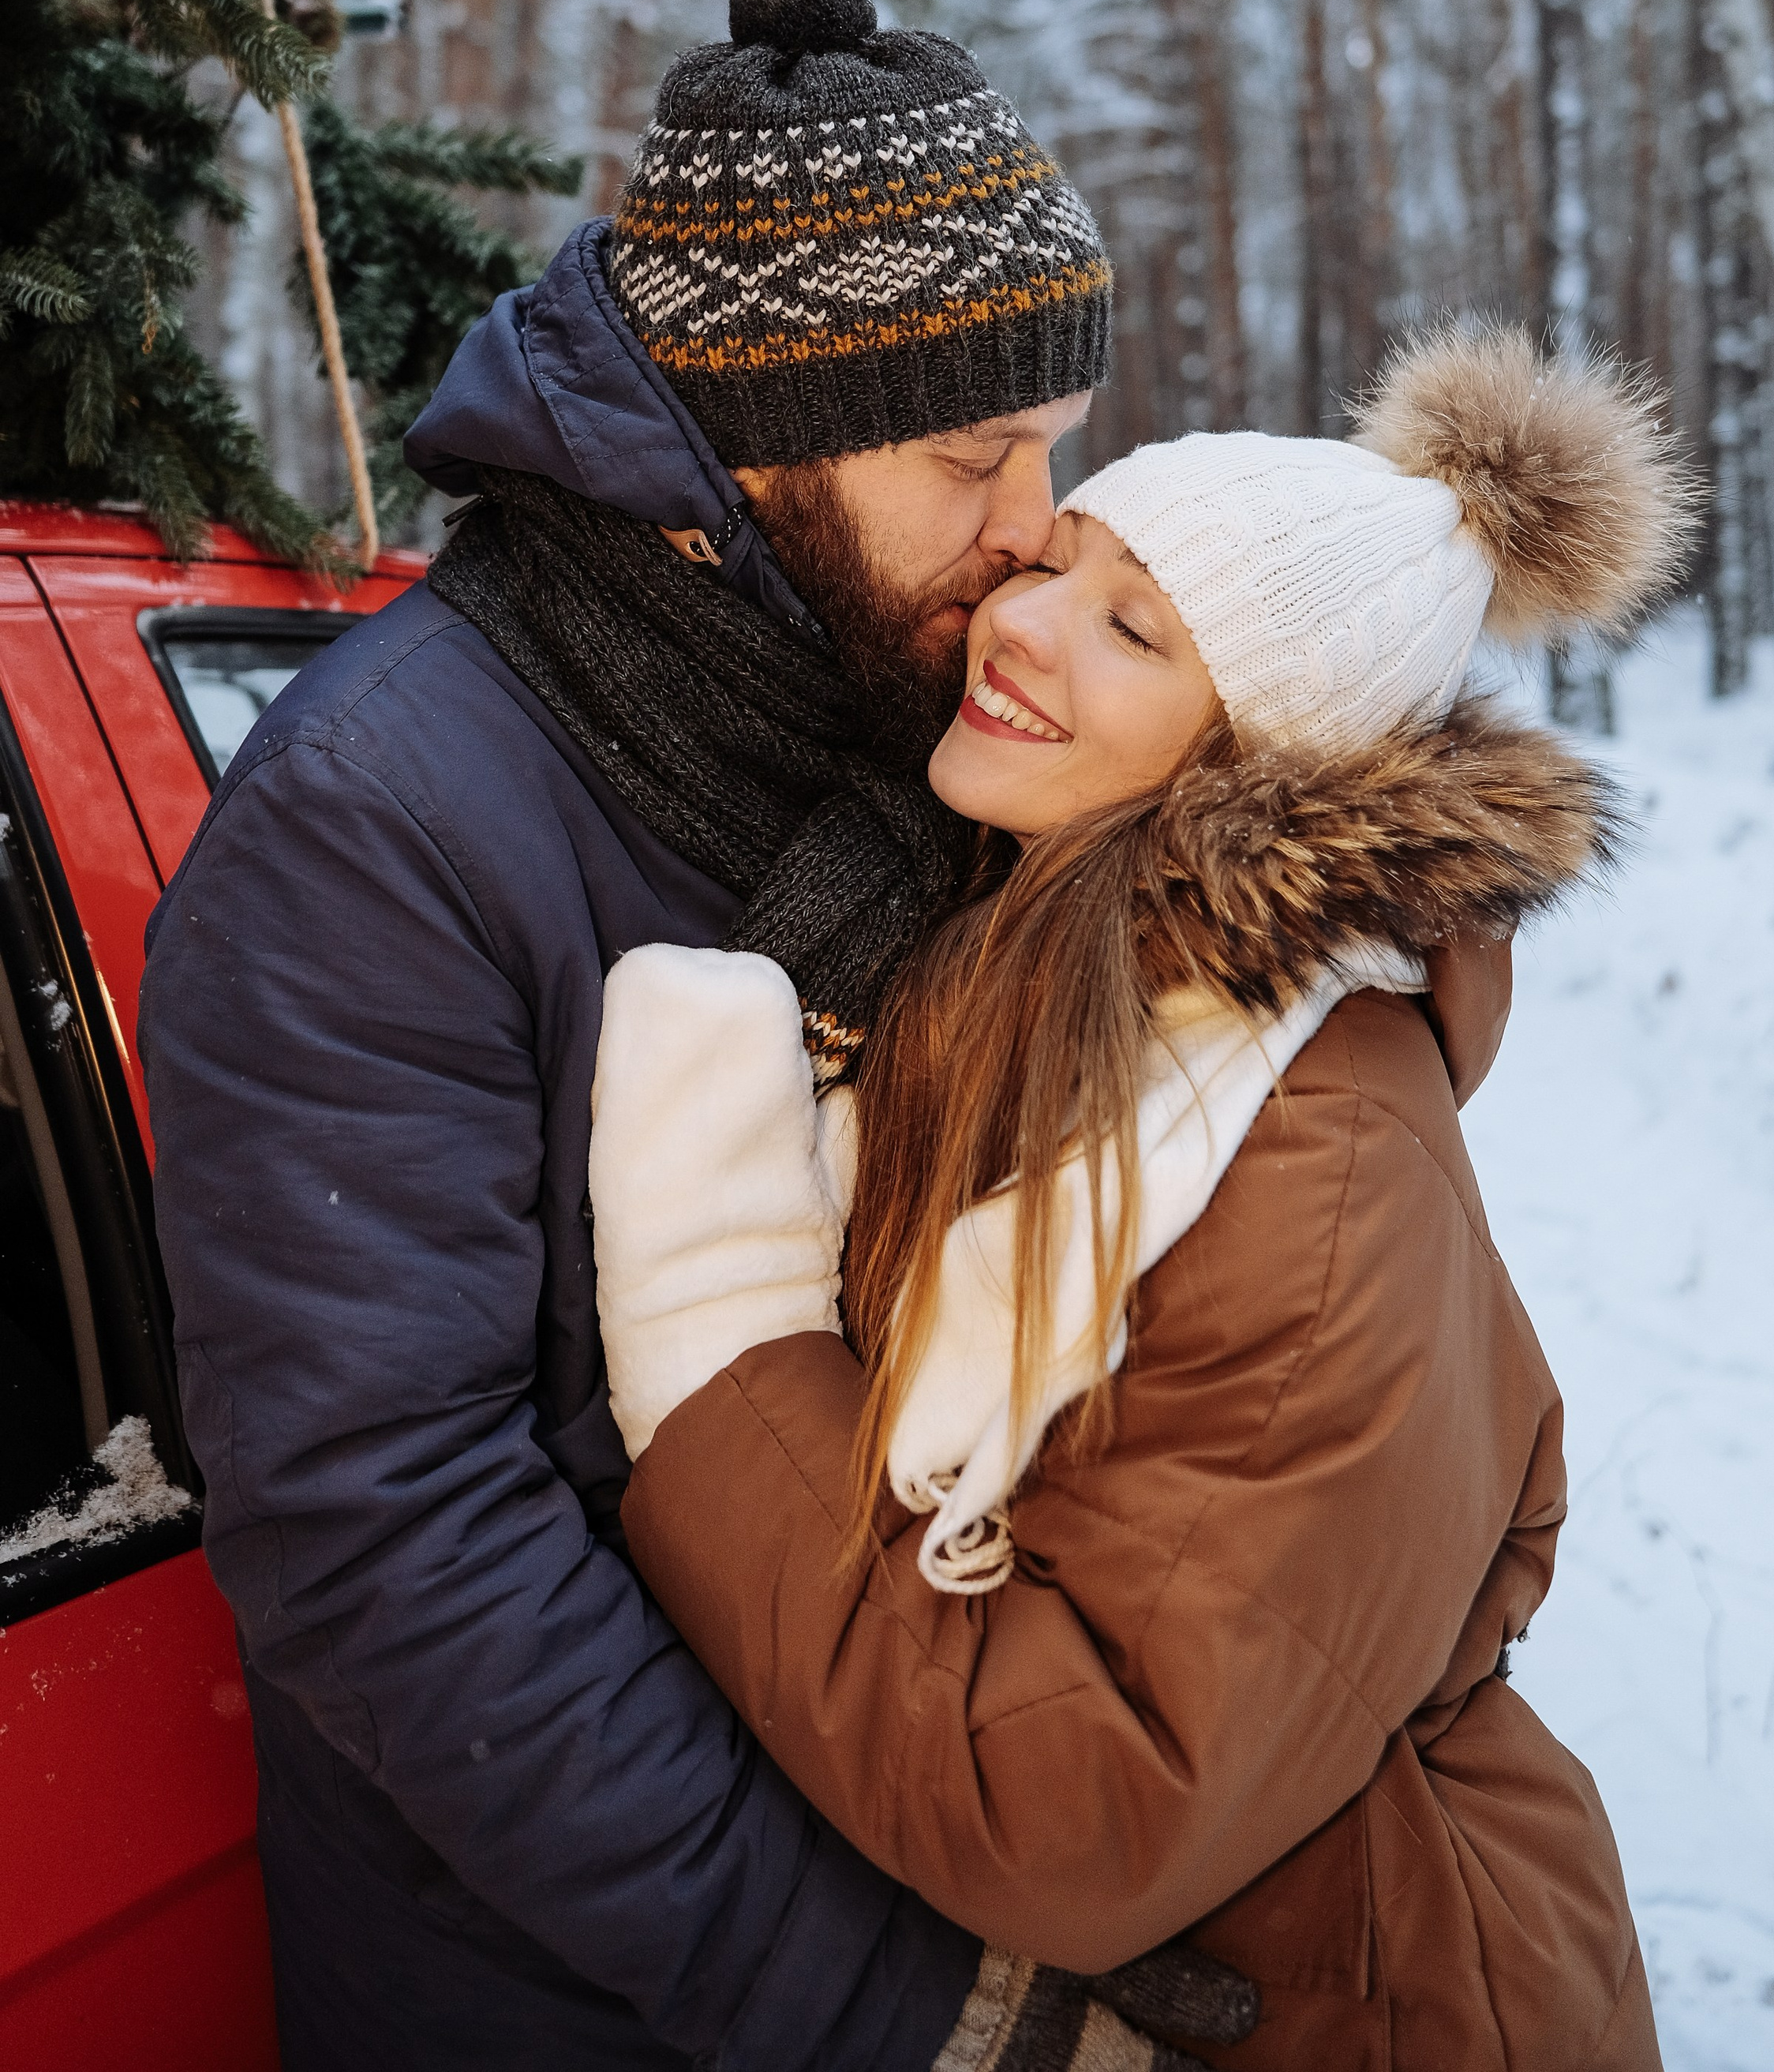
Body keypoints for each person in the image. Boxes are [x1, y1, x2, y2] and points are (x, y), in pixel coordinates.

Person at [142, 0, 1278, 2070]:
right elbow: (391, 1540)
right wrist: (911, 2000)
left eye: (1056, 449)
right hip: (581, 2000)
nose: (1036, 535)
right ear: (762, 436)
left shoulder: (913, 709)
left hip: (947, 1830)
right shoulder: (379, 827)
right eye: (972, 463)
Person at [591, 328, 1690, 2070]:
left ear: (1244, 771)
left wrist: (718, 1308)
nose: (1017, 621)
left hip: (1365, 2007)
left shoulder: (1311, 1172)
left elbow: (1072, 1809)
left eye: (1131, 630)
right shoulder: (1022, 965)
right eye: (1053, 563)